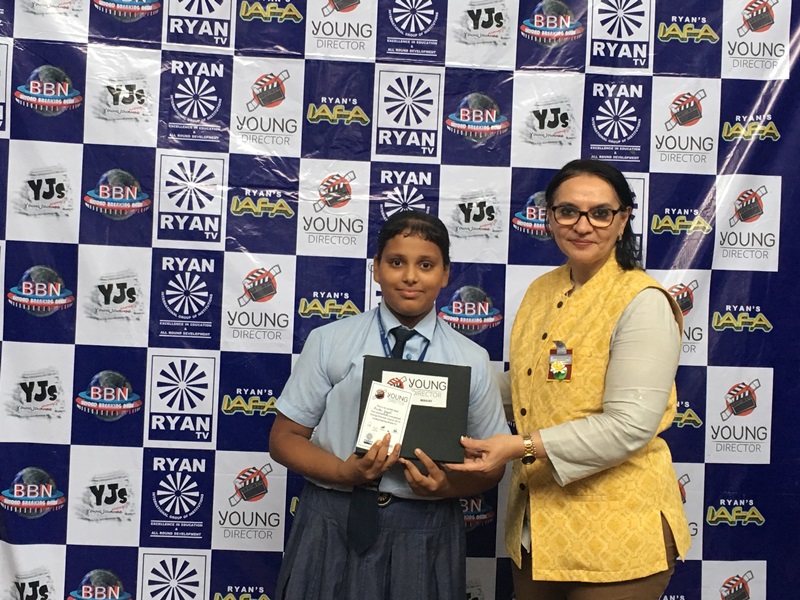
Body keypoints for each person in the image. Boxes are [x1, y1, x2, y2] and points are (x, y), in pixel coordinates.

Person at [449, 159, 692, 599]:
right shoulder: (541, 290)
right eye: (568, 211)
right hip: (538, 531)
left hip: (619, 535)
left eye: (600, 213)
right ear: (549, 217)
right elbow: (526, 388)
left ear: (623, 220)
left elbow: (629, 425)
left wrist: (519, 446)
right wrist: (436, 389)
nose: (583, 225)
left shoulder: (642, 301)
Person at [269, 210, 509, 600]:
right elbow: (284, 438)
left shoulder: (471, 359)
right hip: (332, 517)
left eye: (426, 265)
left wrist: (447, 485)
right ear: (376, 269)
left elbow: (492, 465)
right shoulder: (330, 340)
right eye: (396, 262)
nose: (410, 276)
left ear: (445, 274)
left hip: (425, 525)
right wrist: (343, 472)